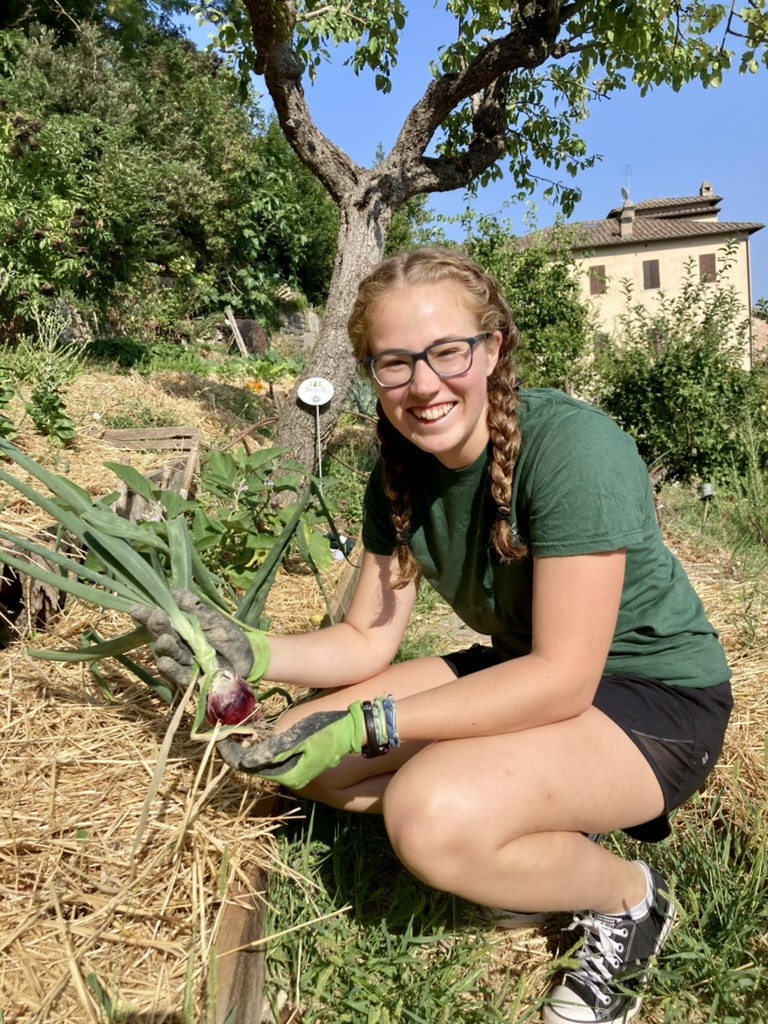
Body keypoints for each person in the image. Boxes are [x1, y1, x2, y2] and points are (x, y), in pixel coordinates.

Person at [139, 247, 733, 1024]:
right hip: (523, 670)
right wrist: (250, 649)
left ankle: (627, 902)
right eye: (393, 363)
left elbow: (564, 678)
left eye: (446, 352)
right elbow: (364, 639)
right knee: (294, 746)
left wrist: (374, 722)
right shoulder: (399, 473)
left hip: (652, 703)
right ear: (371, 373)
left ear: (491, 349)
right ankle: (515, 831)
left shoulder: (573, 451)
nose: (424, 384)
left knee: (428, 813)